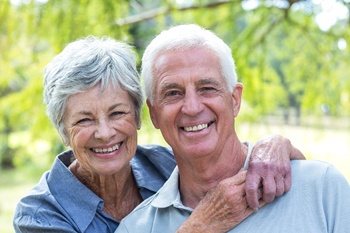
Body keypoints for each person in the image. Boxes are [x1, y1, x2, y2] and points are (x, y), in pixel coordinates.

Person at [13, 36, 304, 233]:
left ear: (140, 116)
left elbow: (250, 165)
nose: (104, 133)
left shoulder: (165, 163)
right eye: (85, 120)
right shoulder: (40, 214)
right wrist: (200, 226)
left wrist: (274, 145)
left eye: (117, 113)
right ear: (63, 131)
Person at [115, 24, 350, 233]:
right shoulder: (135, 227)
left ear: (235, 100)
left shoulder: (321, 188)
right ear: (154, 114)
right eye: (173, 93)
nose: (192, 107)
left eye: (207, 87)